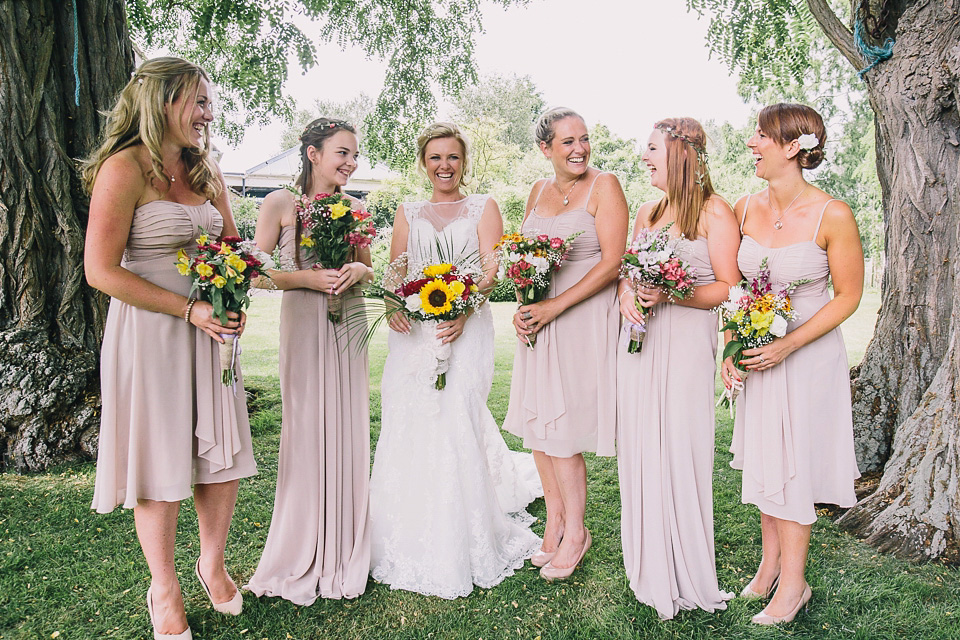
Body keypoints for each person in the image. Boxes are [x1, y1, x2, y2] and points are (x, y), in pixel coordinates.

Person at [84, 57, 257, 639]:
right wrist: (188, 308)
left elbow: (234, 247)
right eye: (198, 102)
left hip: (214, 333)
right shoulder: (124, 168)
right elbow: (101, 271)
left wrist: (233, 293)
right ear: (162, 103)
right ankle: (163, 587)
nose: (208, 114)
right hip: (152, 334)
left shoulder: (207, 173)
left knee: (221, 452)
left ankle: (212, 563)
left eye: (209, 102)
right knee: (159, 454)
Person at [369, 122, 543, 598]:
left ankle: (464, 528)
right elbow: (397, 265)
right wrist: (390, 305)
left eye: (453, 157)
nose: (444, 166)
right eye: (435, 158)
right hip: (415, 328)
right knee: (409, 413)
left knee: (454, 415)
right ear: (423, 163)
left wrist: (464, 311)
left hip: (467, 325)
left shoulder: (483, 206)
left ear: (464, 162)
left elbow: (491, 268)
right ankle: (406, 520)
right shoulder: (408, 210)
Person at [722, 103, 863, 625]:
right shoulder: (743, 208)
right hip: (758, 351)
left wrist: (788, 344)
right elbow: (739, 287)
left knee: (793, 462)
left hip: (807, 357)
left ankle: (795, 585)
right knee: (765, 456)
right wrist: (732, 347)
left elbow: (848, 296)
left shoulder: (834, 214)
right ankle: (769, 565)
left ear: (792, 148)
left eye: (761, 136)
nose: (752, 143)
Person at [244, 118, 373, 603]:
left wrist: (358, 267)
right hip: (302, 322)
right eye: (342, 152)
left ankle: (345, 542)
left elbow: (367, 267)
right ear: (313, 153)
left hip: (350, 323)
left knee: (346, 424)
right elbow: (255, 273)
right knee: (306, 424)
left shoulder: (356, 208)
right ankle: (302, 541)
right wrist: (306, 280)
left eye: (354, 154)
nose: (351, 162)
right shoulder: (280, 203)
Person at [616, 118, 740, 619]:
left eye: (651, 149)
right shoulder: (648, 211)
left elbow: (730, 288)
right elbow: (627, 270)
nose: (643, 157)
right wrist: (629, 292)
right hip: (639, 344)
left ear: (680, 156)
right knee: (643, 444)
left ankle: (685, 565)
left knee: (681, 445)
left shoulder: (716, 213)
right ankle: (649, 560)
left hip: (687, 343)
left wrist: (672, 293)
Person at [503, 107, 629, 581]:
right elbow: (523, 257)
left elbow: (612, 263)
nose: (579, 149)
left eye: (584, 139)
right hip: (539, 323)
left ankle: (576, 531)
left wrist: (555, 307)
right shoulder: (537, 191)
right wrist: (524, 305)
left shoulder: (605, 186)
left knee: (563, 429)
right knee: (538, 425)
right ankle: (554, 522)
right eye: (567, 142)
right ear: (545, 149)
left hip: (582, 320)